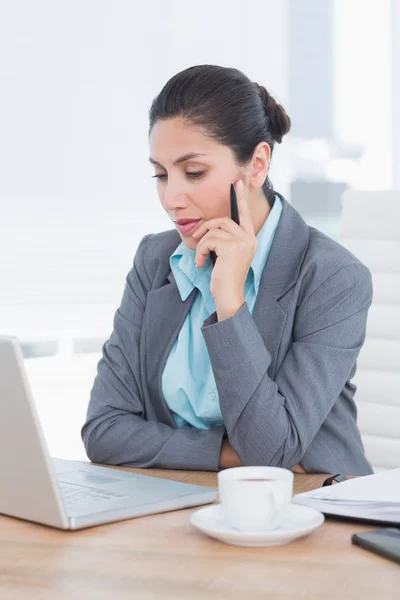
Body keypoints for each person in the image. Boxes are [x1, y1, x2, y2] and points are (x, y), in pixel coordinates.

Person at [81, 64, 373, 475]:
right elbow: (104, 430)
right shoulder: (155, 260)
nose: (172, 199)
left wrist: (230, 303)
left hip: (313, 511)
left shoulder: (332, 278)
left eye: (194, 172)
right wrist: (230, 455)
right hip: (182, 506)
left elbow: (271, 450)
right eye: (161, 175)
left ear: (256, 165)